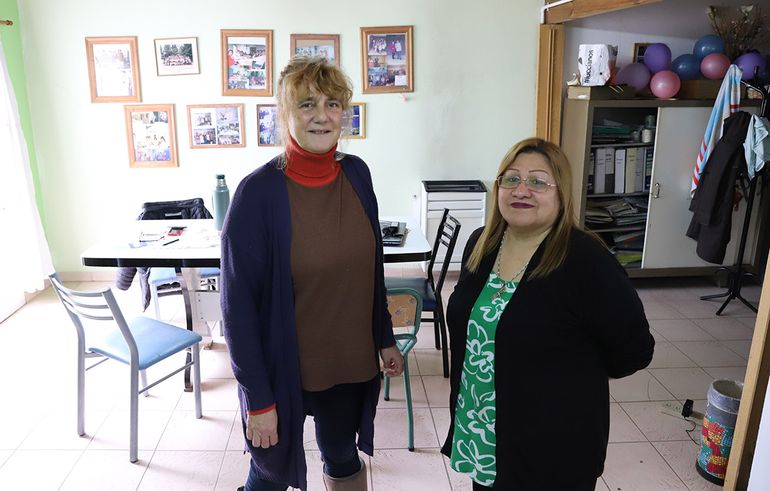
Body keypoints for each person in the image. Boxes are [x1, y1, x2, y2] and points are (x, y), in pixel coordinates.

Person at [221, 55, 404, 491]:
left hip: (348, 364)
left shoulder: (357, 174)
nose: (322, 115)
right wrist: (259, 399)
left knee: (342, 457)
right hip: (284, 369)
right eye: (306, 104)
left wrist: (384, 336)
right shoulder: (257, 194)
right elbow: (237, 311)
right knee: (268, 474)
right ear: (284, 115)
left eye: (333, 103)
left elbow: (369, 269)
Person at [441, 138, 654, 490]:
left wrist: (570, 376)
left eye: (538, 181)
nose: (522, 190)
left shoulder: (585, 260)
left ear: (560, 194)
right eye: (511, 179)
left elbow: (634, 350)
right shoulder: (482, 243)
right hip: (483, 432)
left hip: (553, 446)